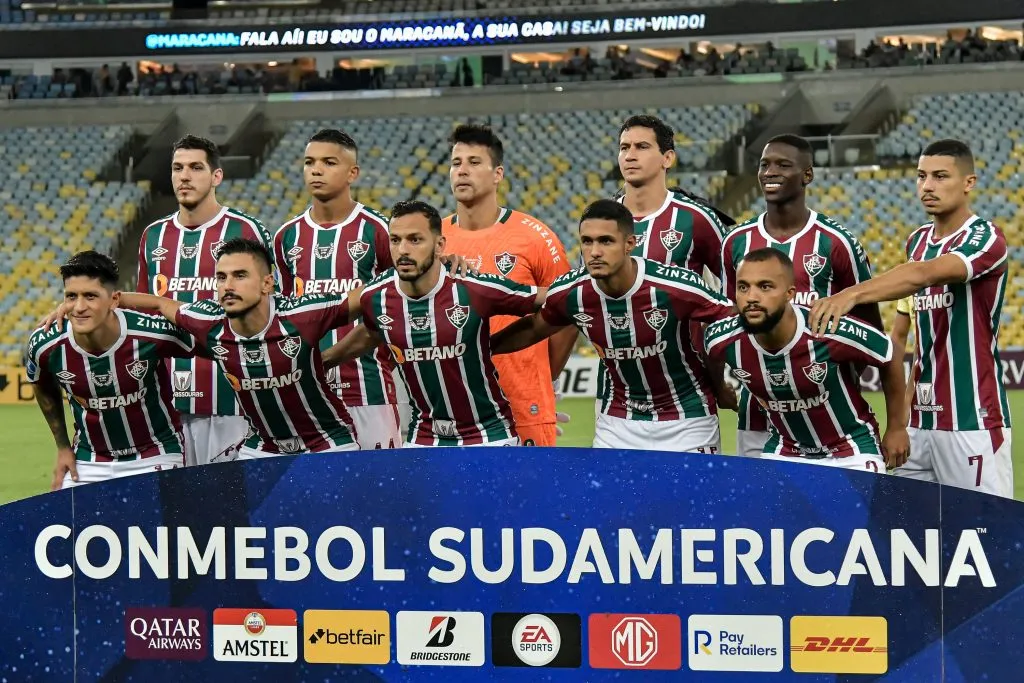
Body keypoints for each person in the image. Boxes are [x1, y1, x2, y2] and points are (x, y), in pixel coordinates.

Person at [810, 139, 1012, 497]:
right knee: (904, 533)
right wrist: (899, 423)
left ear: (969, 183)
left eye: (940, 176)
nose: (928, 186)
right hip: (920, 421)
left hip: (971, 420)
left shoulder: (985, 238)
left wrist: (852, 294)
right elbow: (913, 343)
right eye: (921, 176)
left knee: (985, 538)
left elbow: (925, 274)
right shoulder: (917, 240)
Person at [492, 199, 736, 452]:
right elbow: (534, 328)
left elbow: (731, 319)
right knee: (610, 493)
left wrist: (721, 383)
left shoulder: (675, 288)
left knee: (689, 493)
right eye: (587, 241)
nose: (595, 251)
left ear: (630, 243)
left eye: (606, 241)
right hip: (618, 422)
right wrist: (484, 349)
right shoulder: (572, 292)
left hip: (688, 418)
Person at [325, 200, 541, 448]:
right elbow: (369, 333)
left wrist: (495, 344)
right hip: (423, 438)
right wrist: (322, 362)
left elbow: (554, 302)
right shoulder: (376, 296)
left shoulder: (472, 286)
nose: (403, 250)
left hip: (488, 436)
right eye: (395, 240)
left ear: (439, 245)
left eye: (415, 240)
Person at [122, 238, 359, 458]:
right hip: (264, 446)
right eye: (221, 277)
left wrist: (333, 355)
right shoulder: (207, 320)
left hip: (327, 442)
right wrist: (111, 300)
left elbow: (368, 299)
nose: (228, 286)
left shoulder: (302, 315)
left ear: (267, 283)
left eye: (240, 275)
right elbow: (160, 303)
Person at [721, 134, 881, 457]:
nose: (770, 172)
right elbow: (730, 317)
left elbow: (869, 328)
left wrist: (828, 377)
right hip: (757, 409)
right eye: (764, 165)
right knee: (762, 504)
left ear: (807, 175)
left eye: (783, 165)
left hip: (822, 404)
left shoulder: (836, 243)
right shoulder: (736, 241)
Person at [136, 134, 274, 466]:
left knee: (233, 509)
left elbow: (273, 314)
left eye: (196, 167)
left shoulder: (247, 231)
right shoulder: (153, 236)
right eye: (177, 168)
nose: (184, 176)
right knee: (175, 512)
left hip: (232, 400)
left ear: (216, 176)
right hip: (166, 404)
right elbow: (140, 315)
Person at [705, 248, 909, 469]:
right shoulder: (722, 339)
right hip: (785, 450)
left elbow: (889, 354)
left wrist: (897, 427)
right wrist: (720, 388)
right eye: (743, 287)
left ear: (789, 293)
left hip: (851, 450)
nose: (752, 298)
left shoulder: (825, 329)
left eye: (765, 286)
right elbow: (710, 357)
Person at [441, 124, 576, 447]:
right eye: (456, 162)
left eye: (474, 162)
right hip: (454, 413)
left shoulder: (535, 237)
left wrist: (542, 379)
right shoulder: (435, 241)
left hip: (523, 406)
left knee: (528, 498)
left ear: (497, 173)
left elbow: (568, 315)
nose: (462, 171)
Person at [273, 128, 401, 450]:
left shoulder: (379, 231)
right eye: (309, 162)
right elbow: (289, 316)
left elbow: (395, 308)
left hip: (369, 389)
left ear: (352, 173)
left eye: (329, 162)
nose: (316, 170)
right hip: (308, 393)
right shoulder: (286, 237)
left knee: (379, 491)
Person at [26, 251, 193, 489]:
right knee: (71, 526)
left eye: (91, 296)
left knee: (156, 525)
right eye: (71, 297)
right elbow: (40, 384)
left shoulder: (149, 333)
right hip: (89, 458)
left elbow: (209, 328)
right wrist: (63, 447)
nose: (79, 307)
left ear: (115, 300)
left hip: (156, 452)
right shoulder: (46, 344)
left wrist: (157, 302)